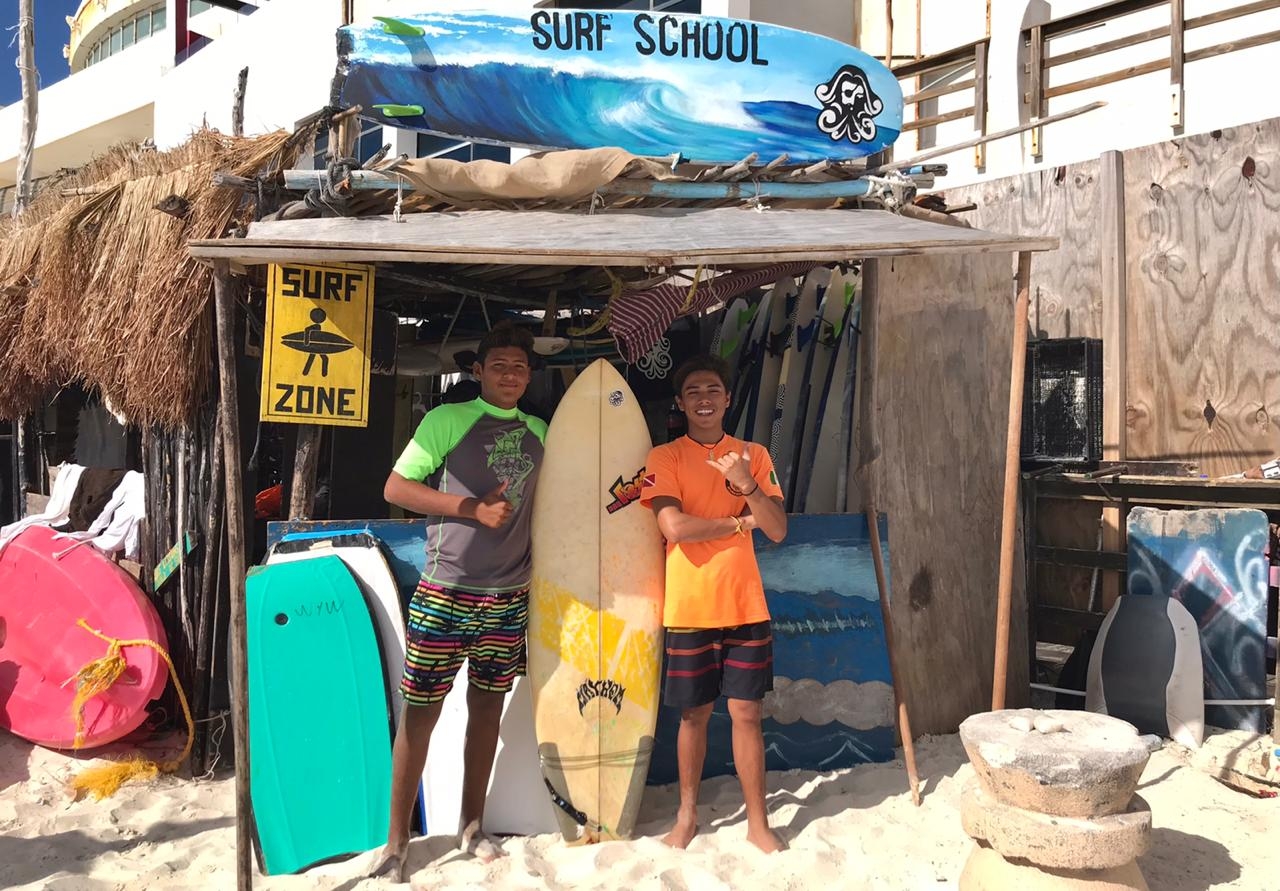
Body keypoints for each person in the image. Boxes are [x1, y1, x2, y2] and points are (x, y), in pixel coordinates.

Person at [371, 322, 547, 881]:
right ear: (479, 371)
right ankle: (396, 843)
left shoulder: (541, 430)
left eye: (519, 366)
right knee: (419, 718)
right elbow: (396, 487)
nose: (510, 375)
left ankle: (472, 827)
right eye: (499, 365)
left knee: (487, 716)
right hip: (445, 592)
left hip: (509, 596)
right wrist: (469, 508)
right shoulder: (446, 420)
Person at [639, 354, 788, 854]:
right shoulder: (665, 457)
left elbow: (779, 529)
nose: (705, 399)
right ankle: (686, 817)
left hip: (746, 606)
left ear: (727, 399)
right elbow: (674, 528)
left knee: (747, 714)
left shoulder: (754, 454)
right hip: (688, 608)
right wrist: (737, 522)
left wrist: (746, 485)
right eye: (694, 392)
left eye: (713, 390)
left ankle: (758, 823)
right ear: (681, 404)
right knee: (692, 717)